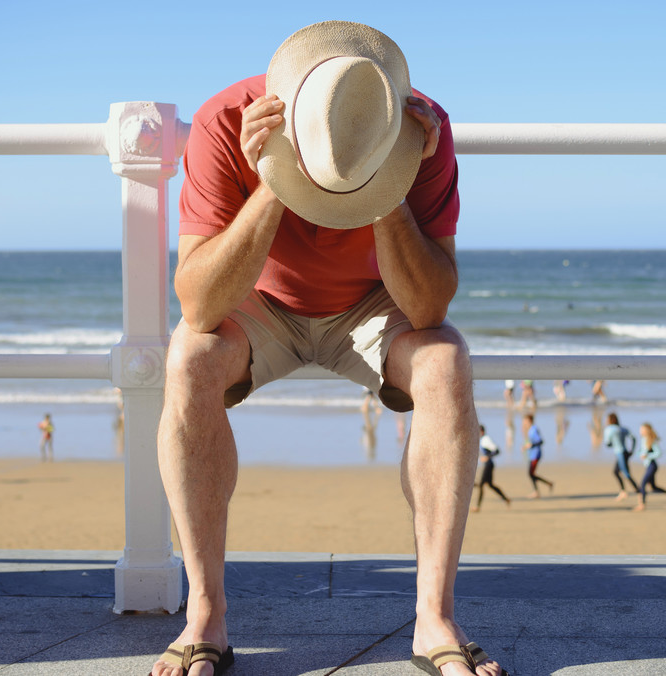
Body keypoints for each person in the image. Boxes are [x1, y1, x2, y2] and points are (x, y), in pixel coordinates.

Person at [150, 21, 505, 676]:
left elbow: (428, 307)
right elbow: (199, 304)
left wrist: (383, 184)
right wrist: (273, 183)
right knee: (190, 358)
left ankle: (435, 619)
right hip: (261, 302)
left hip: (374, 304)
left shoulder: (419, 131)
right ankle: (207, 617)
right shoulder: (225, 121)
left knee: (445, 361)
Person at [634, 423, 666, 511]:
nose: (640, 431)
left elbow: (658, 453)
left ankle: (642, 504)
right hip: (647, 466)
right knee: (653, 487)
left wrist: (647, 455)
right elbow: (642, 451)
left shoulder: (651, 440)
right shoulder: (643, 439)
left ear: (647, 430)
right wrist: (640, 454)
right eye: (640, 429)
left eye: (642, 429)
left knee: (643, 484)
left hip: (652, 466)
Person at [474, 425, 511, 512]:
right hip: (488, 465)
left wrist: (488, 456)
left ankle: (477, 507)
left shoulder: (486, 439)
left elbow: (497, 451)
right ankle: (506, 499)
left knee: (481, 485)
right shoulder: (482, 440)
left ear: (481, 431)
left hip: (489, 465)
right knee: (490, 485)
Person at [603, 412, 639, 500]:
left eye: (607, 419)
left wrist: (613, 443)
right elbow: (634, 438)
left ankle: (638, 491)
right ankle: (623, 491)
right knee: (616, 472)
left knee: (626, 474)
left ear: (610, 420)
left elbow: (607, 444)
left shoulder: (609, 429)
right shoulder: (623, 429)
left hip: (620, 453)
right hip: (625, 452)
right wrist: (632, 450)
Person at [523, 413, 554, 498]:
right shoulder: (530, 430)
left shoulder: (534, 429)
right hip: (532, 455)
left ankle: (537, 491)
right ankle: (547, 484)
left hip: (536, 454)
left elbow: (540, 441)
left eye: (525, 421)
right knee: (531, 474)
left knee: (531, 473)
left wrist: (531, 445)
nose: (524, 423)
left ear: (529, 421)